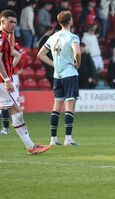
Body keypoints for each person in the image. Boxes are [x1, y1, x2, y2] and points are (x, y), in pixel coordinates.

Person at [0, 10, 50, 156]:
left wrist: (11, 33)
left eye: (15, 22)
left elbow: (9, 50)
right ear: (2, 21)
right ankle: (31, 146)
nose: (13, 24)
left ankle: (31, 146)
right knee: (16, 111)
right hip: (1, 81)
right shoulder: (0, 37)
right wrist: (8, 80)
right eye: (10, 22)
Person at [37, 10, 81, 146]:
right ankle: (68, 138)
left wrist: (54, 65)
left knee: (56, 106)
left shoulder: (52, 37)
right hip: (69, 73)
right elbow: (77, 51)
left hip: (58, 76)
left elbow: (40, 54)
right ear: (71, 21)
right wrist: (77, 64)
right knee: (70, 106)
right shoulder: (72, 37)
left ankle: (53, 139)